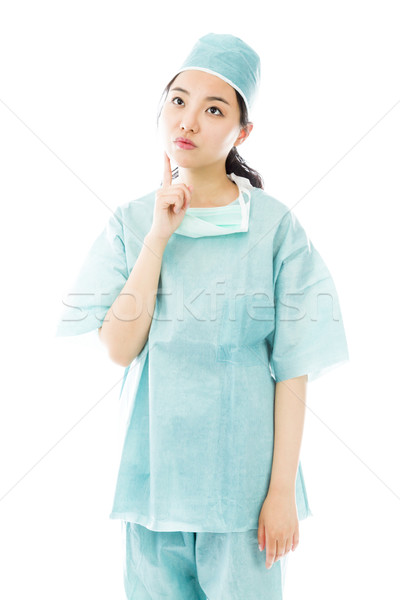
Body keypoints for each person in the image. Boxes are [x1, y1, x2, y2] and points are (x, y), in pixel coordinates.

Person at [56, 33, 349, 600]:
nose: (187, 121)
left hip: (243, 494)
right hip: (153, 486)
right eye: (178, 100)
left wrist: (281, 492)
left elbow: (294, 368)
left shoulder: (273, 228)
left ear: (242, 132)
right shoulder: (132, 221)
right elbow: (119, 349)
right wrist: (158, 237)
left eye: (213, 109)